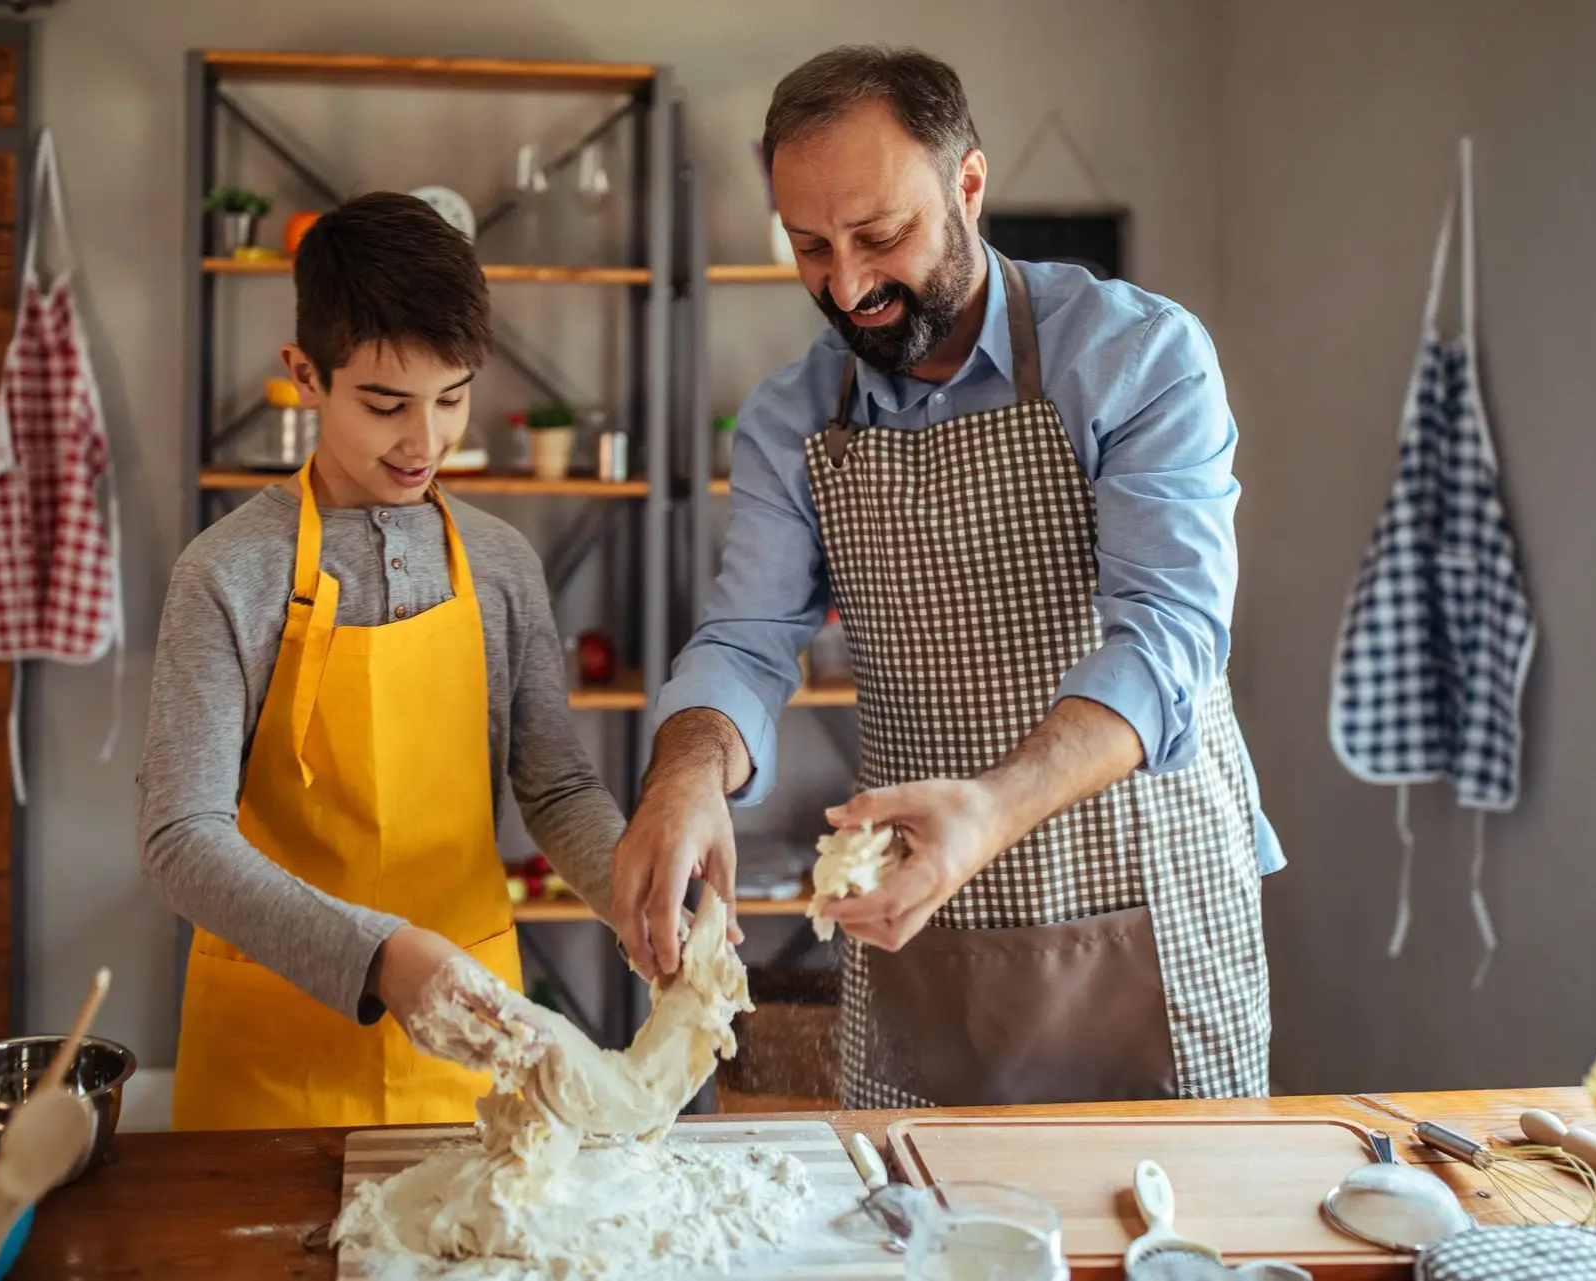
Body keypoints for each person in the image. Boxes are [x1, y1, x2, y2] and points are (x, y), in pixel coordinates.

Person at [610, 46, 1284, 1110]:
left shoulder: (1137, 357)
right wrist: (684, 776)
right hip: (927, 921)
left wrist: (989, 808)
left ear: (969, 184)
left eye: (882, 236)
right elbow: (745, 639)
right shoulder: (794, 419)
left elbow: (1169, 637)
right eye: (809, 247)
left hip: (1144, 896)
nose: (847, 284)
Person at [139, 192, 620, 1131]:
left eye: (453, 397)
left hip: (471, 1061)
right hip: (272, 1063)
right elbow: (179, 839)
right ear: (304, 375)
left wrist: (634, 891)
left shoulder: (502, 563)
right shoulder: (229, 572)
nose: (426, 441)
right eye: (386, 404)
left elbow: (556, 789)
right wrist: (384, 956)